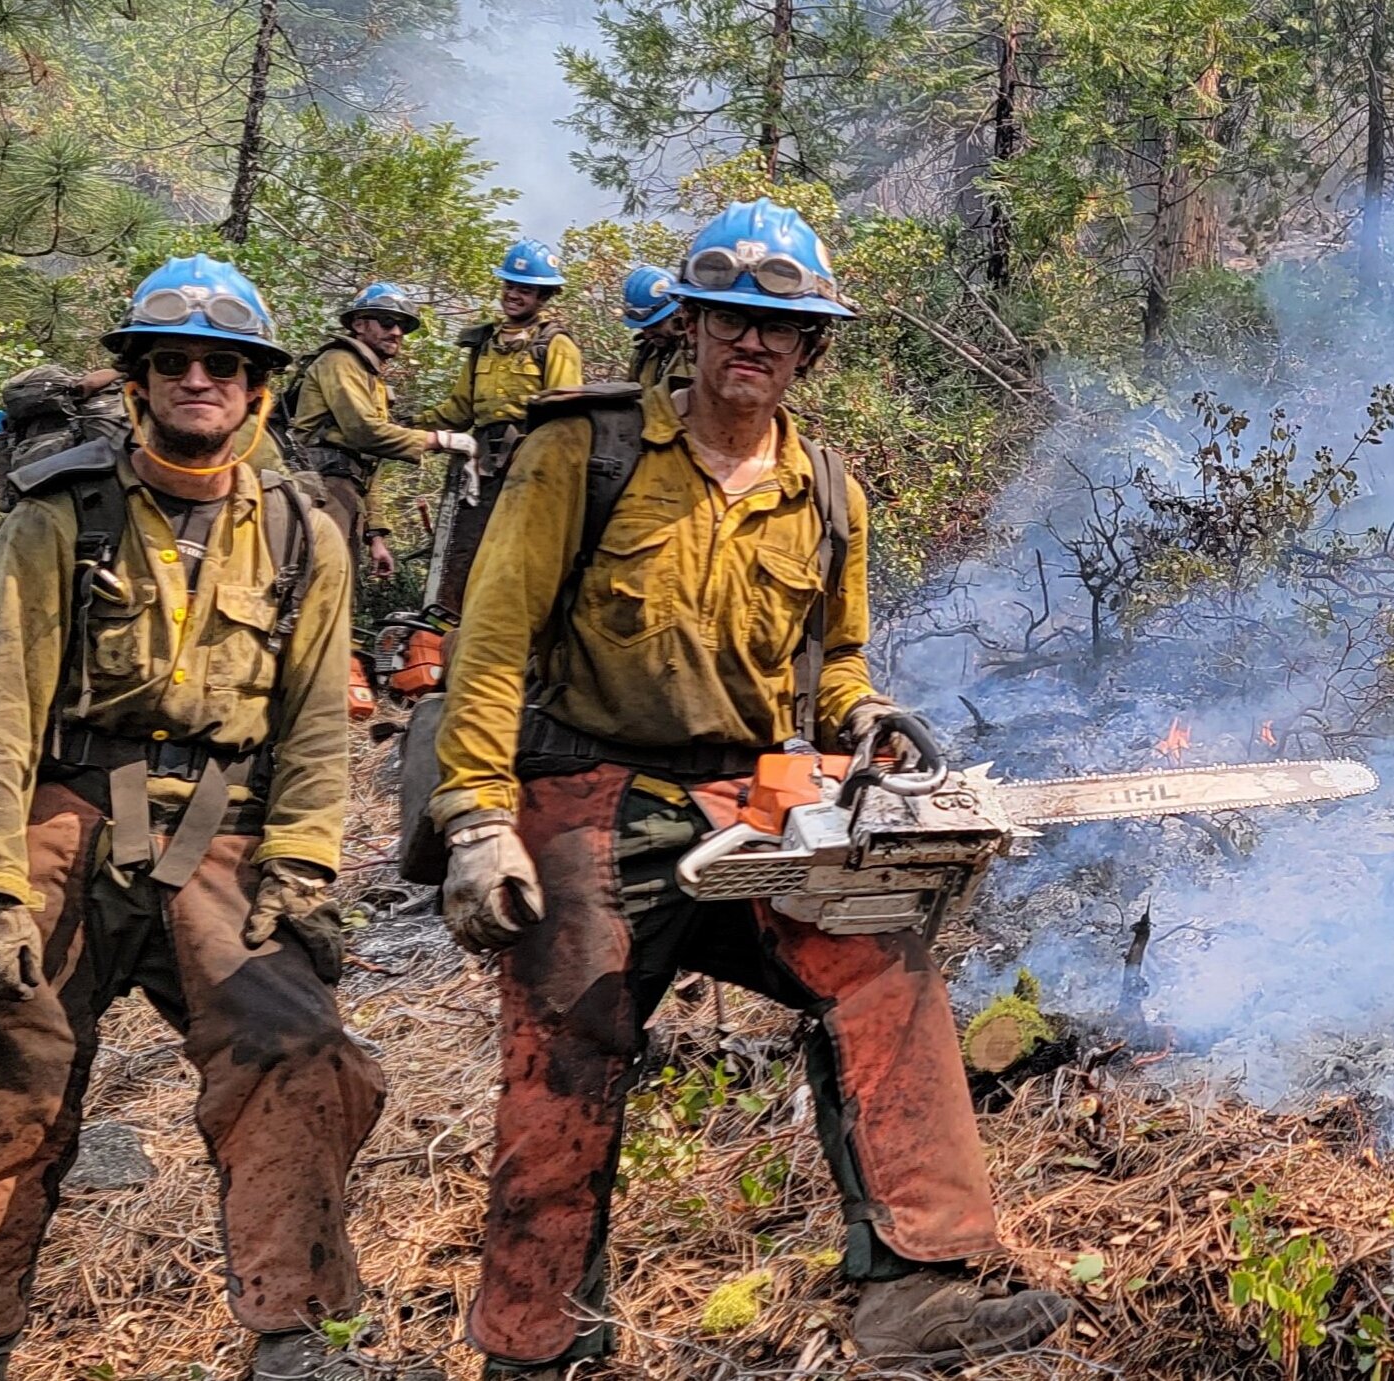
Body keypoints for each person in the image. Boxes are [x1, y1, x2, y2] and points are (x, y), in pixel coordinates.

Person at [427, 199, 1070, 1377]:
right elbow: (492, 643)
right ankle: (535, 1344)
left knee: (880, 961)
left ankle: (915, 1285)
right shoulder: (584, 453)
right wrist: (476, 819)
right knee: (569, 1050)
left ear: (811, 350)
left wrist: (865, 720)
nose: (753, 346)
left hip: (747, 802)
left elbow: (840, 668)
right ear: (689, 327)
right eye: (730, 320)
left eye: (780, 330)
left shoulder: (829, 491)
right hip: (585, 791)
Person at [0, 256, 383, 1381]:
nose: (196, 380)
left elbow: (320, 719)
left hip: (222, 823)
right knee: (14, 1068)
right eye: (169, 361)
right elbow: (0, 711)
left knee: (301, 1051)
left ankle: (296, 1335)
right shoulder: (60, 515)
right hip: (65, 807)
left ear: (257, 386)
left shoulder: (301, 529)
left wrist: (303, 867)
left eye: (221, 364)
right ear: (134, 382)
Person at [417, 238, 584, 610]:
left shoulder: (554, 345)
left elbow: (566, 415)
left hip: (531, 462)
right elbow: (459, 408)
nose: (513, 295)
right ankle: (445, 634)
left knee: (515, 553)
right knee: (465, 549)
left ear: (543, 296)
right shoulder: (483, 344)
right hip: (480, 464)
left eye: (524, 289)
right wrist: (406, 427)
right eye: (509, 286)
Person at [284, 282, 478, 580]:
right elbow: (364, 431)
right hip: (319, 487)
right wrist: (440, 439)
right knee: (318, 584)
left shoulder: (369, 376)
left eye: (402, 325)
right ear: (359, 324)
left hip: (344, 490)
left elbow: (364, 462)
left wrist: (376, 536)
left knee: (338, 588)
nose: (397, 332)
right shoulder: (340, 361)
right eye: (387, 321)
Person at [621, 263, 689, 390]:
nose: (647, 334)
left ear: (678, 312)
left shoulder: (701, 355)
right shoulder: (643, 355)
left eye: (655, 325)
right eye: (644, 328)